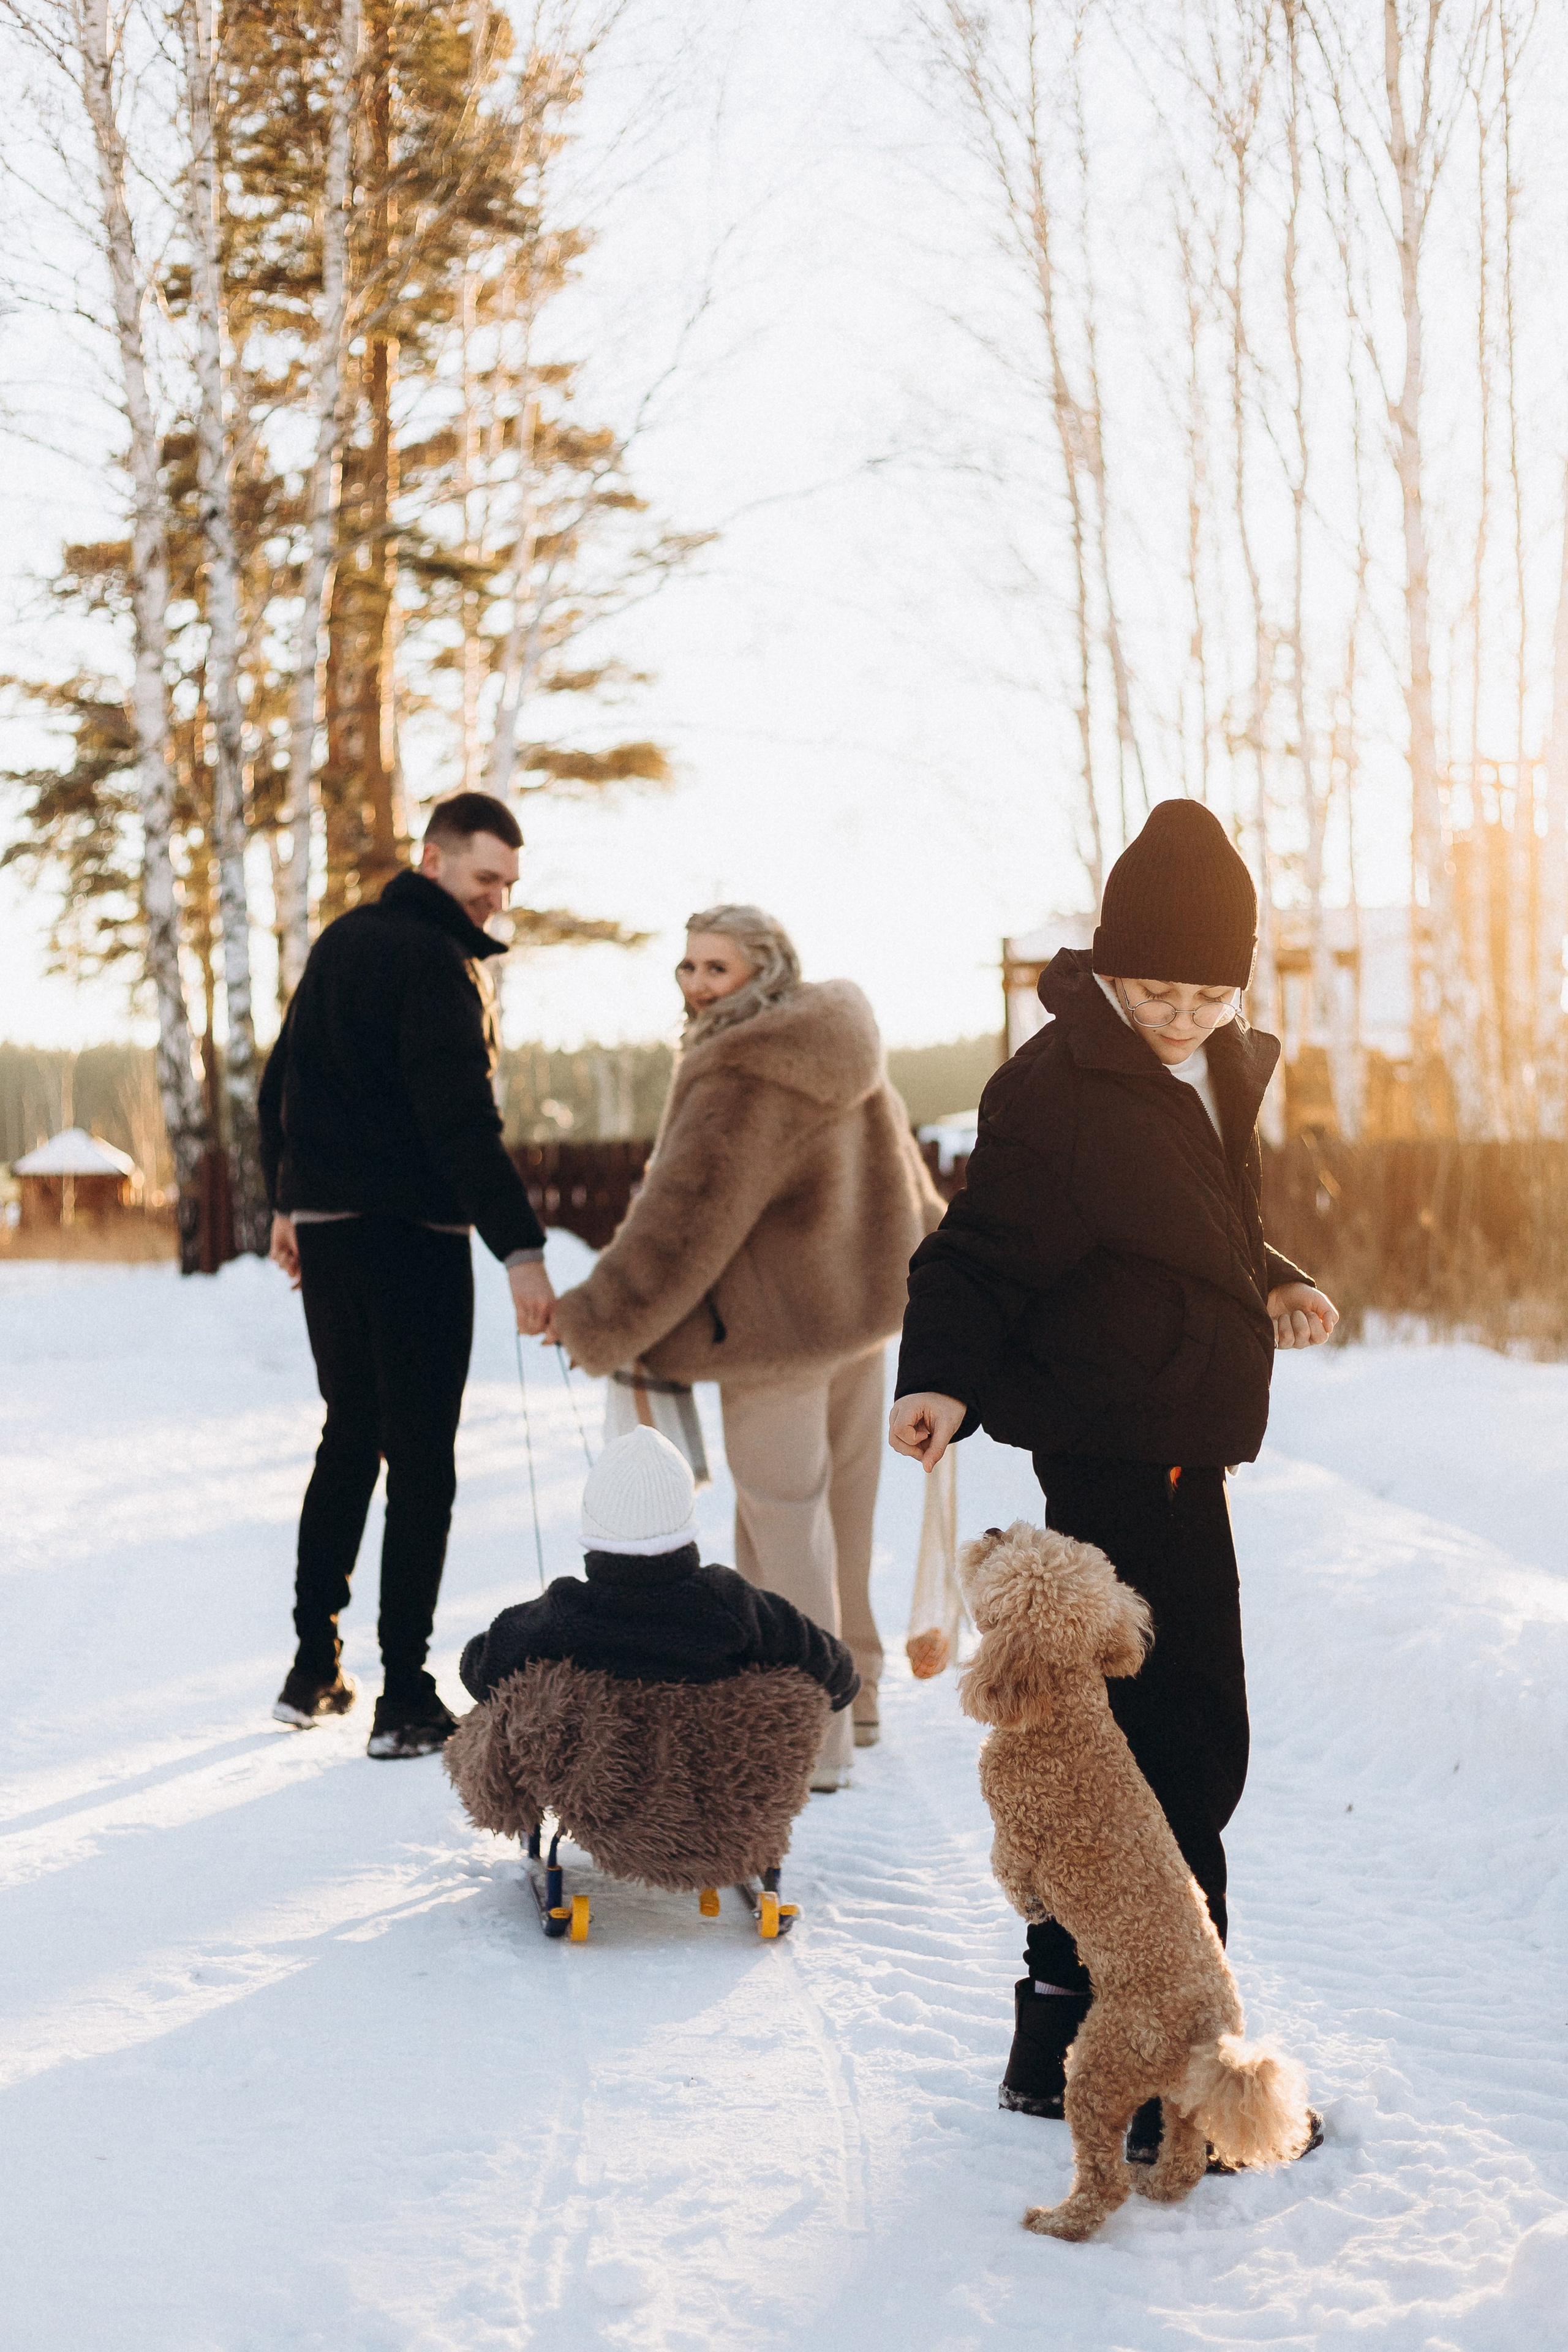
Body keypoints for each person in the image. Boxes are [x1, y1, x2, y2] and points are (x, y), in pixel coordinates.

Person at [889, 797, 1338, 2142]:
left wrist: (1269, 1281)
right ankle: (1172, 2077)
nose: (1180, 1013)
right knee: (1170, 1758)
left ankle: (1063, 2040)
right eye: (1153, 987)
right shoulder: (1057, 1085)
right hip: (1118, 1451)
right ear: (1103, 964)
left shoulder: (1201, 1066)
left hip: (1165, 1449)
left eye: (1207, 990)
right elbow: (981, 1253)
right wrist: (937, 1373)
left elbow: (1181, 1230)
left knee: (1127, 1757)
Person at [548, 905, 945, 1789]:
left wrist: (593, 1316)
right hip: (858, 1324)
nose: (695, 987)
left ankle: (814, 1741)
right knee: (841, 1518)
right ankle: (862, 1694)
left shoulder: (739, 1069)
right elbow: (910, 1188)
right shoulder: (843, 1043)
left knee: (782, 1532)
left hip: (776, 1342)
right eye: (686, 968)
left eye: (715, 970)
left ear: (764, 971)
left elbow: (683, 1221)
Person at [259, 790, 556, 1760]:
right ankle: (404, 1696)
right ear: (434, 861)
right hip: (413, 1238)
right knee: (420, 1457)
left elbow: (281, 1081)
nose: (496, 902)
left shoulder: (343, 942)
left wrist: (288, 1203)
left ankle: (314, 1668)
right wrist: (520, 1251)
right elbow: (460, 1123)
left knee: (350, 1435)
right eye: (485, 880)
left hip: (336, 1235)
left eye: (508, 885)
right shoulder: (432, 963)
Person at [458, 1425, 859, 1713]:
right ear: (686, 1525)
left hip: (603, 1789)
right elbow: (816, 1653)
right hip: (709, 1781)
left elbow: (482, 1666)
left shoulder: (566, 1611)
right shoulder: (726, 1600)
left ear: (592, 1527)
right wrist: (841, 1685)